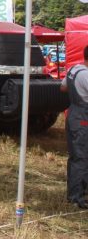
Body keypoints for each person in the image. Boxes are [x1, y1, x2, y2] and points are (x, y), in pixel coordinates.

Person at [61, 45, 88, 209]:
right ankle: (76, 197)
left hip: (73, 113)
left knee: (76, 156)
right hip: (83, 118)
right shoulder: (86, 75)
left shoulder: (74, 69)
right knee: (81, 157)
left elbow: (63, 87)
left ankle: (77, 192)